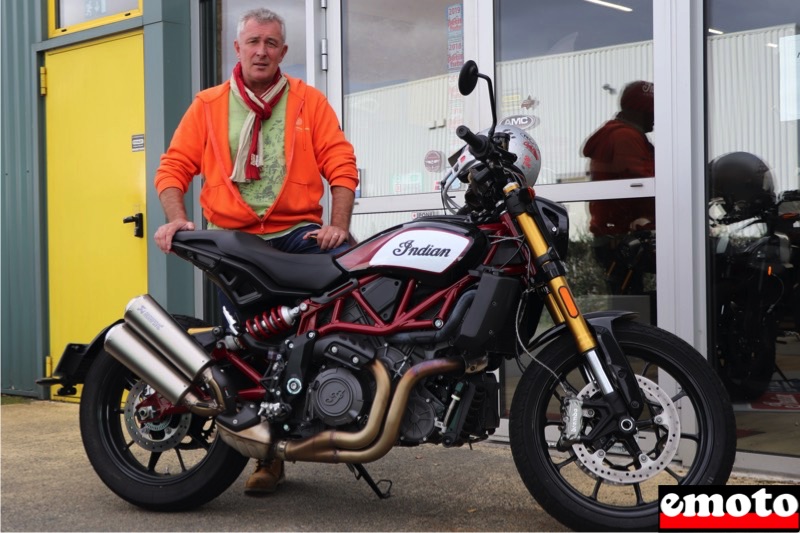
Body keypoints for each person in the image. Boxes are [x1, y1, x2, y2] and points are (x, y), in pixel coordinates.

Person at [153, 7, 359, 496]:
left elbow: (342, 164)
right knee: (241, 349)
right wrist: (176, 218)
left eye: (271, 43)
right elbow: (173, 167)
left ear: (283, 52)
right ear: (238, 48)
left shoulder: (309, 102)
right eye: (253, 42)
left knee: (324, 323)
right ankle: (265, 459)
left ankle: (333, 411)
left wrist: (338, 226)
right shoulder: (208, 105)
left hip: (296, 235)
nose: (262, 51)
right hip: (235, 241)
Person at [582, 80, 655, 295]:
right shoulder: (625, 137)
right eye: (651, 111)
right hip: (621, 238)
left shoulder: (617, 134)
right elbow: (639, 182)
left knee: (627, 301)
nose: (655, 118)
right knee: (631, 306)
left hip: (614, 237)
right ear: (639, 110)